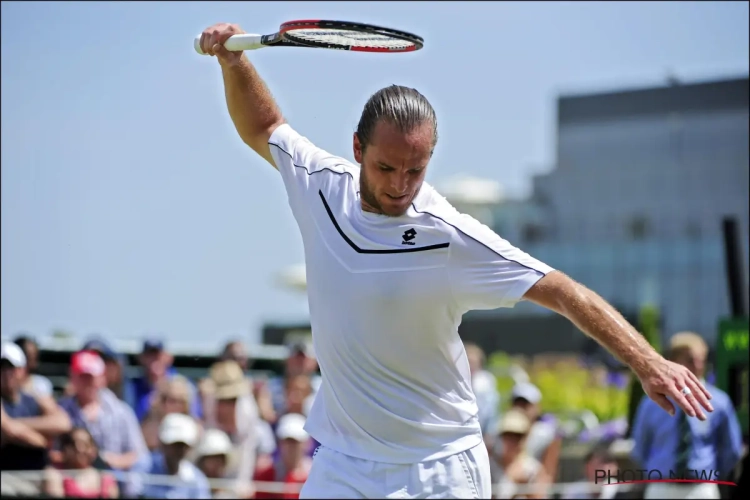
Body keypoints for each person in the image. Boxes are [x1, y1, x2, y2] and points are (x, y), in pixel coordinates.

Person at [198, 23, 713, 498]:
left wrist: (649, 362)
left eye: (415, 170)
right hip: (344, 464)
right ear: (357, 148)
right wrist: (233, 62)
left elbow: (561, 290)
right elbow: (265, 125)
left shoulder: (447, 234)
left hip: (439, 465)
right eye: (386, 167)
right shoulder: (320, 183)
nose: (400, 184)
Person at [631, 332, 743, 499]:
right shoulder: (651, 403)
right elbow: (640, 446)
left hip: (701, 489)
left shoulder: (718, 402)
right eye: (690, 360)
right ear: (673, 362)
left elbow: (731, 449)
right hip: (661, 488)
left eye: (702, 360)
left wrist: (711, 473)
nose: (697, 366)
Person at [56, 350, 151, 498]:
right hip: (71, 486)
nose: (87, 382)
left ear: (102, 378)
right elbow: (52, 452)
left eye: (91, 377)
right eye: (82, 376)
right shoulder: (59, 411)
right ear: (73, 377)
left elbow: (138, 455)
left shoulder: (122, 412)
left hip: (115, 487)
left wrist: (110, 460)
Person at [1, 342, 72, 495]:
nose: (6, 373)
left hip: (37, 473)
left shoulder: (35, 399)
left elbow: (63, 422)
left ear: (22, 370)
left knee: (53, 479)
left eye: (11, 368)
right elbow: (10, 431)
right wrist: (44, 439)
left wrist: (15, 424)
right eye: (2, 368)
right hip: (5, 475)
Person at [129, 339, 202, 422]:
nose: (154, 360)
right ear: (141, 358)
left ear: (167, 357)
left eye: (157, 355)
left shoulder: (185, 386)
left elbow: (196, 419)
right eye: (150, 355)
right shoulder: (132, 387)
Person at [143, 412, 211, 499]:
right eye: (173, 445)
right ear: (162, 444)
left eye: (182, 446)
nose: (178, 451)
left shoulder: (197, 480)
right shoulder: (144, 467)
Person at [43, 427, 119, 498]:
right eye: (74, 444)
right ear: (65, 448)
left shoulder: (106, 478)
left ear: (94, 449)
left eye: (86, 444)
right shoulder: (54, 474)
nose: (80, 449)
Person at [490, 409, 549, 499]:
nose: (512, 441)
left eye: (517, 436)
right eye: (508, 436)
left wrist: (524, 487)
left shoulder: (533, 469)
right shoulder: (490, 467)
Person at [254, 413, 313, 500]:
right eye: (287, 441)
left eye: (296, 442)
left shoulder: (315, 475)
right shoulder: (266, 475)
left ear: (307, 444)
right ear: (280, 443)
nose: (291, 447)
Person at [509, 383, 562, 479]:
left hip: (534, 486)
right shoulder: (498, 432)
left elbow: (549, 472)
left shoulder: (546, 434)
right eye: (518, 404)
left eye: (526, 405)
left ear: (537, 407)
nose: (521, 409)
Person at [465, 342, 501, 448]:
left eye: (473, 362)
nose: (470, 366)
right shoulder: (452, 383)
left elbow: (491, 412)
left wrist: (489, 436)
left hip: (480, 435)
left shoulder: (486, 383)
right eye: (467, 362)